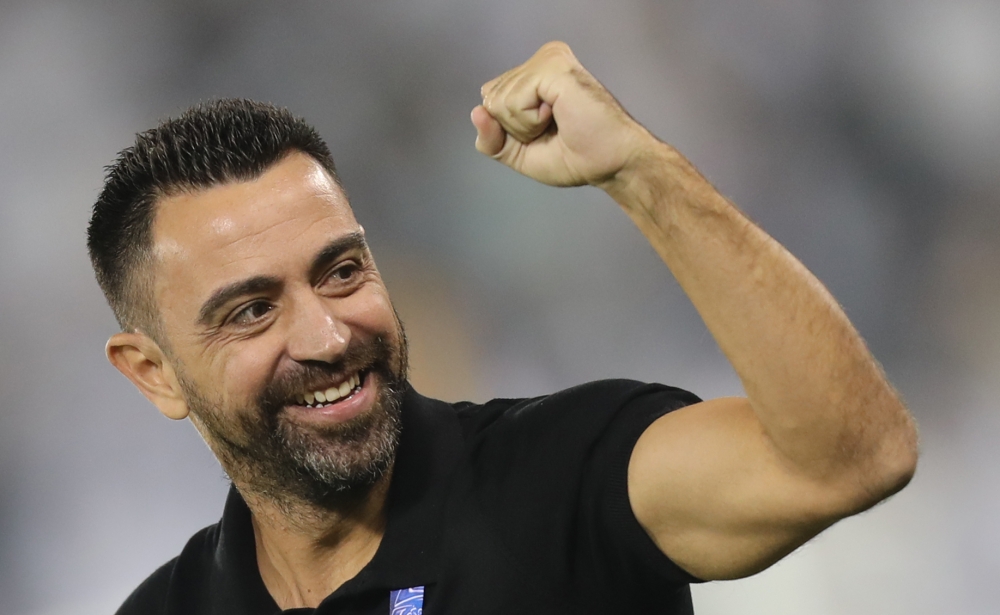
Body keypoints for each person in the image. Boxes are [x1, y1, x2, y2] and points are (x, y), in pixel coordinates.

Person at [88, 42, 918, 615]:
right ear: (153, 371)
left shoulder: (566, 476)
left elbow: (853, 458)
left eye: (342, 271)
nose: (328, 336)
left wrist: (640, 171)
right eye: (252, 311)